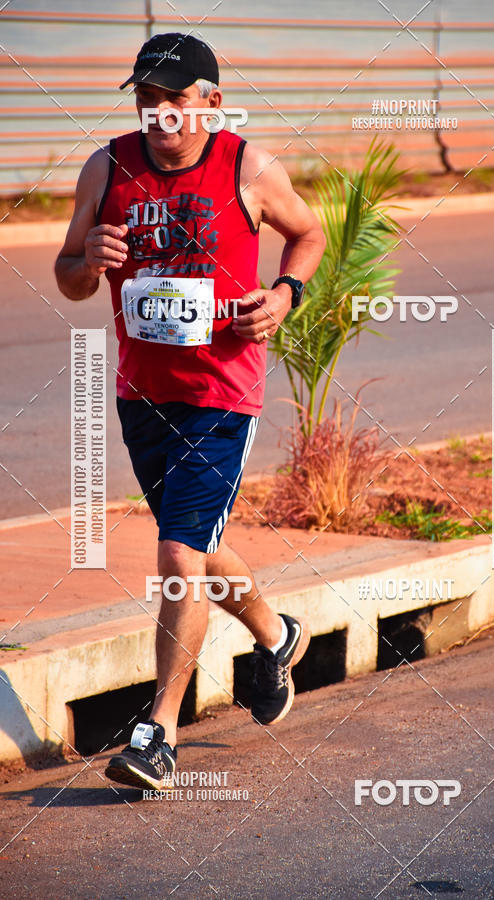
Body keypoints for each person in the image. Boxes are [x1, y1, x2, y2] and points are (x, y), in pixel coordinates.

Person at [55, 32, 325, 790]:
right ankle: (277, 635)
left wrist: (283, 295)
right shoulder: (106, 167)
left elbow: (308, 233)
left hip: (222, 392)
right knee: (197, 544)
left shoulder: (248, 166)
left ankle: (158, 732)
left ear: (212, 101)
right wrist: (91, 261)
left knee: (177, 556)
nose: (160, 115)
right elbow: (68, 275)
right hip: (142, 393)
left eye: (174, 100)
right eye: (147, 101)